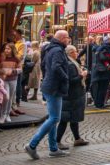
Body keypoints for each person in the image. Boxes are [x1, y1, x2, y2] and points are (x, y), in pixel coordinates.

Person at [25, 30, 71, 159]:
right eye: (67, 37)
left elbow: (45, 66)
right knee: (54, 118)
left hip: (50, 85)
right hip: (54, 87)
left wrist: (47, 77)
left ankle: (53, 149)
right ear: (62, 38)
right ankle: (32, 145)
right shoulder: (57, 50)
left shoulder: (50, 48)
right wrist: (65, 77)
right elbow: (56, 67)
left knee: (53, 118)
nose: (69, 40)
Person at [57, 45, 89, 150]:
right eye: (75, 51)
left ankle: (77, 139)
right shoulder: (70, 65)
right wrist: (82, 75)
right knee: (64, 120)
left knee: (73, 118)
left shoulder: (72, 63)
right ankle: (57, 141)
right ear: (70, 53)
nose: (77, 53)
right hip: (71, 96)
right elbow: (71, 80)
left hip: (73, 96)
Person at [0, 42, 21, 123]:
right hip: (4, 80)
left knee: (10, 98)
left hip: (13, 80)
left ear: (12, 49)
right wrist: (3, 71)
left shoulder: (16, 59)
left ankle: (7, 114)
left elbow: (20, 69)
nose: (6, 50)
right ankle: (2, 114)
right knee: (6, 97)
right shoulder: (1, 57)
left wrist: (13, 71)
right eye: (5, 48)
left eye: (8, 48)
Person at [92, 37, 110, 109]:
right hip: (104, 71)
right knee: (102, 89)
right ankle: (100, 104)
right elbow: (102, 58)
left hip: (100, 71)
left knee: (101, 89)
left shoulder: (100, 48)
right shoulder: (107, 48)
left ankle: (98, 103)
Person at [12, 29, 27, 112]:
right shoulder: (16, 43)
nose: (14, 36)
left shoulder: (22, 44)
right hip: (13, 66)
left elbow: (20, 57)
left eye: (15, 34)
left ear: (19, 34)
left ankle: (17, 101)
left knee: (17, 85)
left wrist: (12, 52)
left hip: (18, 67)